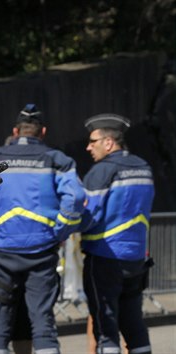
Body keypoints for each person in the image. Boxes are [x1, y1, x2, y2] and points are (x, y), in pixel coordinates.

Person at [0, 104, 86, 354]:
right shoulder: (58, 159)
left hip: (1, 252)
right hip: (42, 252)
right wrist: (60, 231)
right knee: (43, 324)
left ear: (15, 131)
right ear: (43, 131)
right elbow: (76, 197)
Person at [80, 113, 154, 354]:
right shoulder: (143, 168)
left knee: (105, 328)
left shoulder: (102, 171)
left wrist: (62, 228)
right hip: (136, 259)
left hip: (105, 257)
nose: (88, 147)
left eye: (93, 141)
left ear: (109, 142)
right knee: (134, 325)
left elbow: (87, 215)